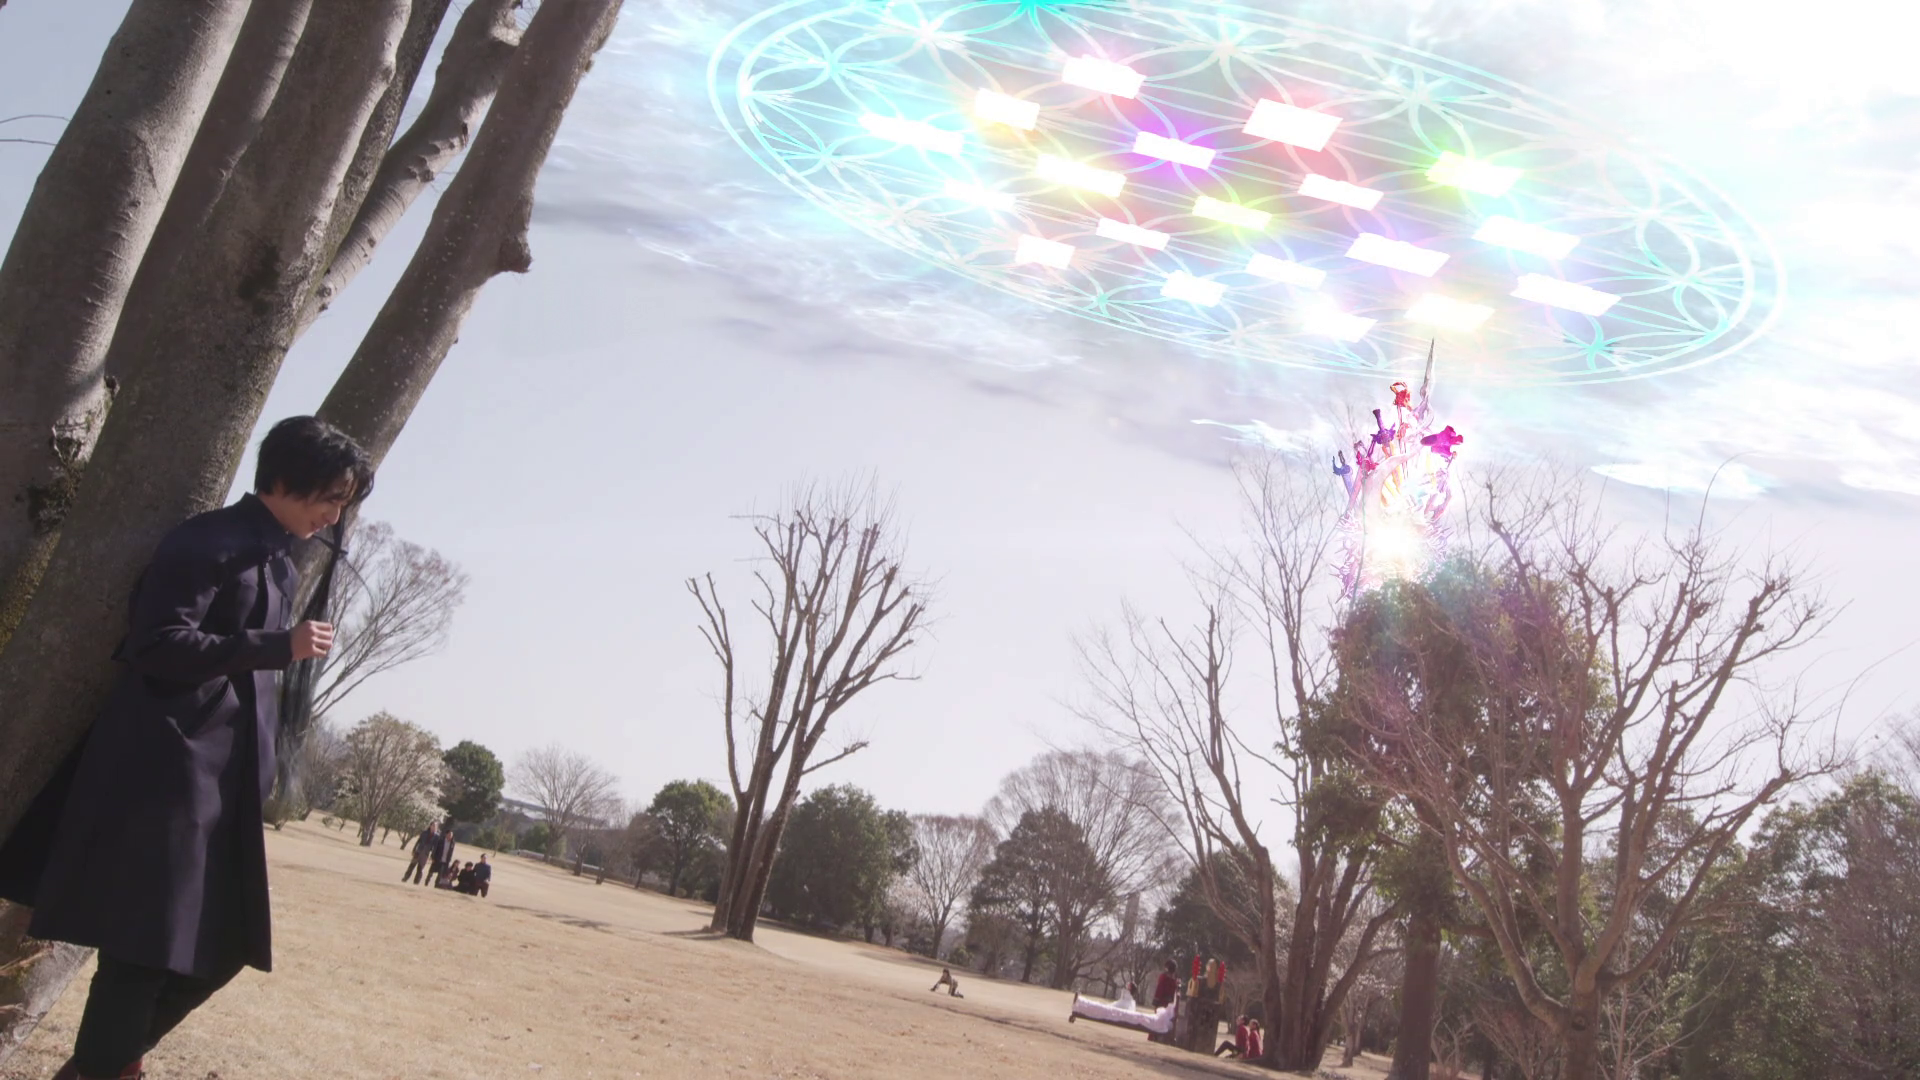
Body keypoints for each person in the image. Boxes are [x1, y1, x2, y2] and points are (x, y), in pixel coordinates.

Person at [0, 416, 372, 1080]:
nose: (333, 515)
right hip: (166, 770)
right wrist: (277, 646)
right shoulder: (208, 541)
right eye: (330, 497)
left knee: (224, 944)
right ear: (286, 478)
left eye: (342, 503)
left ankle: (98, 1066)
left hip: (220, 786)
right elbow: (155, 644)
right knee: (142, 949)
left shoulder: (278, 560)